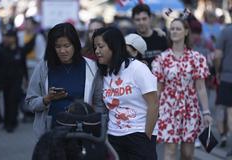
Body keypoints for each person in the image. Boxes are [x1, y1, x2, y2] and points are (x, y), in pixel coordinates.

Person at [92, 26, 158, 160]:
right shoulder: (102, 73)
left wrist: (147, 136)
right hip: (113, 137)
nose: (97, 51)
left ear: (114, 46)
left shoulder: (137, 68)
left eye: (101, 46)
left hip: (139, 135)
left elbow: (154, 104)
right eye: (95, 47)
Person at [152, 17, 213, 160]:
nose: (174, 31)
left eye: (178, 28)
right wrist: (152, 112)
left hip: (190, 108)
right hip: (168, 108)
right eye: (172, 28)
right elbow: (158, 89)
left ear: (186, 32)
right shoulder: (161, 59)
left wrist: (206, 112)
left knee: (187, 154)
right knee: (170, 152)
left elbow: (201, 88)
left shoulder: (196, 58)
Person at [25, 23, 97, 139]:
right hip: (51, 134)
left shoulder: (91, 67)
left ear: (75, 44)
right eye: (58, 46)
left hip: (83, 133)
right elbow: (30, 102)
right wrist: (47, 99)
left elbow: (99, 103)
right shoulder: (43, 67)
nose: (62, 51)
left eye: (67, 45)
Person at [0, 29, 29, 132]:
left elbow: (23, 65)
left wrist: (26, 79)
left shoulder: (20, 50)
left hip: (16, 80)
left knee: (13, 100)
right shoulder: (0, 49)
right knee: (5, 100)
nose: (7, 39)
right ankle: (4, 120)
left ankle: (11, 122)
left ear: (14, 38)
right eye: (6, 37)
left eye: (10, 37)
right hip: (3, 80)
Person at [214, 22, 232, 153]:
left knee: (223, 108)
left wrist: (217, 71)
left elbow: (218, 55)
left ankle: (223, 135)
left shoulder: (225, 31)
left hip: (227, 77)